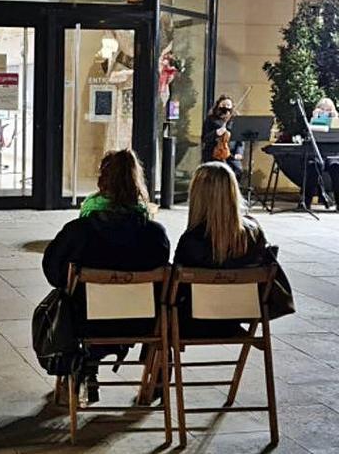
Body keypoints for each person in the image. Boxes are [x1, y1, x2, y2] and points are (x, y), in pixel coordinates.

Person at [42, 150, 170, 402]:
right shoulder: (154, 234)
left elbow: (53, 272)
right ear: (138, 184)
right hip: (142, 323)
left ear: (102, 181)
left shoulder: (78, 231)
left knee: (60, 300)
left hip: (85, 322)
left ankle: (76, 368)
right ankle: (155, 378)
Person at [174, 162, 295, 335]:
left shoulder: (192, 240)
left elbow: (177, 288)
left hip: (196, 321)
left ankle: (157, 360)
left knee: (163, 311)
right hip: (240, 314)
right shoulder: (253, 232)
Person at [201, 95, 244, 179]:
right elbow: (205, 138)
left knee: (238, 170)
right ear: (218, 106)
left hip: (231, 154)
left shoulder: (235, 120)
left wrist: (239, 152)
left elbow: (240, 140)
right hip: (214, 153)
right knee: (218, 173)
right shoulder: (211, 119)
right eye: (223, 105)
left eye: (228, 106)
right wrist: (216, 133)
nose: (226, 108)